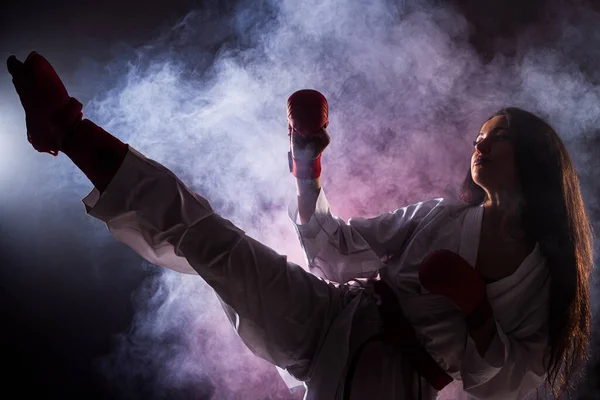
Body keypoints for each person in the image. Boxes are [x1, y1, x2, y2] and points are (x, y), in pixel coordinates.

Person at [7, 52, 592, 400]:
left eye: (499, 136)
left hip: (402, 380)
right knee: (213, 240)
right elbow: (335, 255)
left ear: (538, 158)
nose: (480, 144)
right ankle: (65, 129)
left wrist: (479, 313)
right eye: (478, 136)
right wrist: (309, 174)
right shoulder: (440, 217)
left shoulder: (544, 278)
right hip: (334, 312)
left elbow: (506, 385)